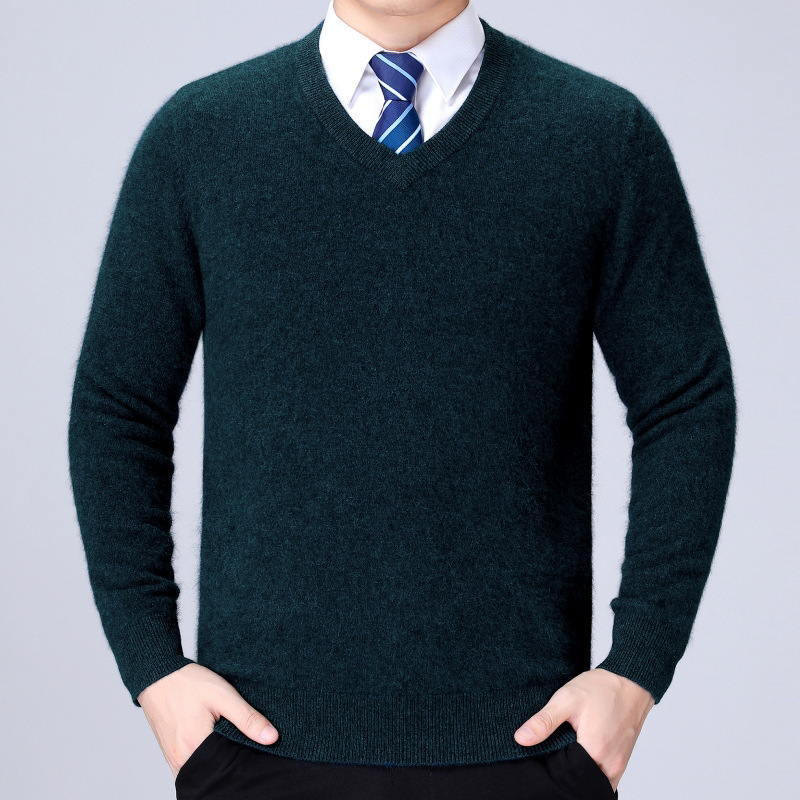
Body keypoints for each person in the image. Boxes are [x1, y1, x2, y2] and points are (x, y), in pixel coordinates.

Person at [67, 0, 737, 797]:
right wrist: (152, 665)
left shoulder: (600, 137)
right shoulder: (201, 136)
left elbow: (686, 401)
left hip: (527, 751)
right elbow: (118, 408)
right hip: (258, 749)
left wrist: (638, 667)